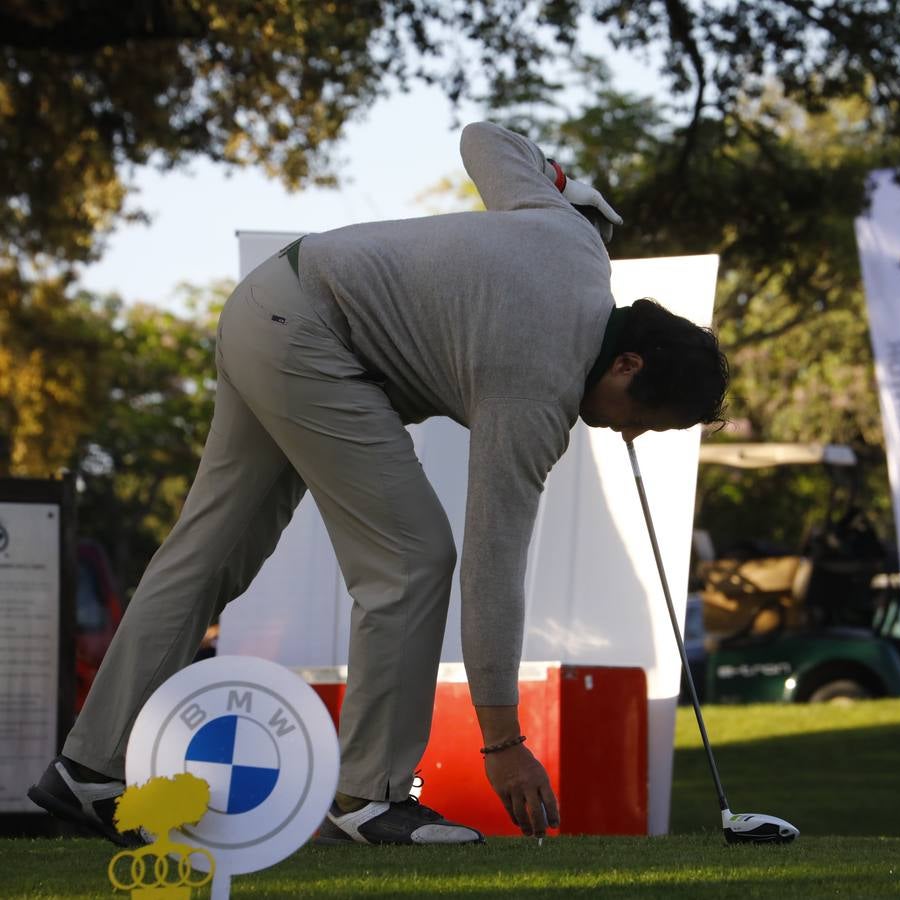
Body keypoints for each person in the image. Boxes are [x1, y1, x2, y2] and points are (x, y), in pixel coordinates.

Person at [28, 122, 730, 846]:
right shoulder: (541, 387)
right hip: (313, 337)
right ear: (629, 366)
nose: (629, 434)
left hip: (265, 300)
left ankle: (88, 768)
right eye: (644, 420)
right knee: (412, 558)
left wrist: (559, 185)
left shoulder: (576, 240)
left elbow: (486, 138)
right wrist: (502, 743)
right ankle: (371, 797)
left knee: (207, 556)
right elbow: (494, 566)